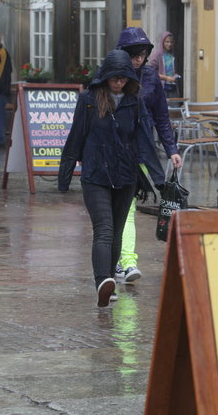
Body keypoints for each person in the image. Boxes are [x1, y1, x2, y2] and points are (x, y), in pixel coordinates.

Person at [58, 49, 167, 307]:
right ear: (105, 76)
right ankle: (102, 281)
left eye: (123, 78)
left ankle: (109, 283)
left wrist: (158, 179)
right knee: (104, 229)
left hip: (126, 177)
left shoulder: (134, 101)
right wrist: (64, 177)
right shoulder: (88, 100)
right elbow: (76, 137)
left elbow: (144, 142)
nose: (119, 83)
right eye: (115, 78)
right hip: (95, 176)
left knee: (117, 232)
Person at [113, 27, 183, 283]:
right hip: (113, 153)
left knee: (128, 208)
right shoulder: (111, 76)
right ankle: (115, 260)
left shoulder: (152, 78)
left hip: (141, 154)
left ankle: (128, 262)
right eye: (133, 55)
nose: (138, 60)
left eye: (142, 55)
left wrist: (172, 150)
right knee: (115, 211)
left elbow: (162, 118)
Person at [148, 31, 179, 97]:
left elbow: (174, 71)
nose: (169, 44)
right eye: (167, 42)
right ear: (162, 42)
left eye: (171, 42)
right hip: (161, 87)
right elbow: (152, 72)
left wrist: (175, 76)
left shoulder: (173, 55)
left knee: (174, 105)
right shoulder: (157, 55)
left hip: (172, 86)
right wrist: (166, 78)